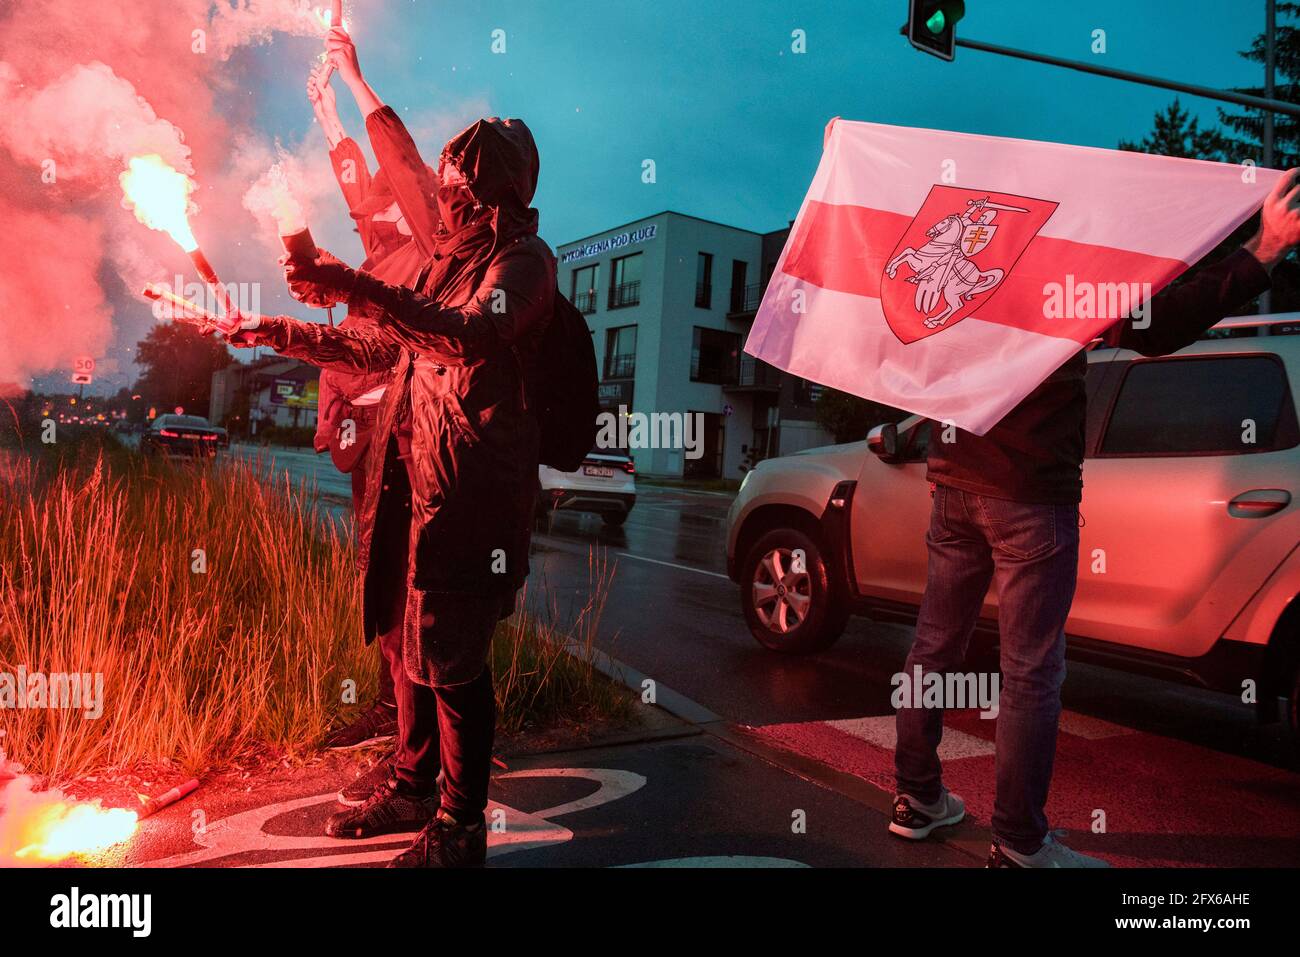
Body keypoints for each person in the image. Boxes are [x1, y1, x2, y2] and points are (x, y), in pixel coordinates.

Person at [891, 169, 1300, 868]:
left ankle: (916, 796)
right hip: (1031, 492)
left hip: (954, 478)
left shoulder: (968, 261)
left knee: (935, 643)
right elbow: (1157, 325)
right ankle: (1020, 841)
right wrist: (1260, 255)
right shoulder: (1062, 265)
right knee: (1029, 671)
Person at [227, 48, 554, 866]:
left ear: (488, 188)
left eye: (456, 179)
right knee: (407, 639)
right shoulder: (446, 263)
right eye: (443, 177)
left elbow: (469, 338)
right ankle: (412, 786)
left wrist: (357, 281)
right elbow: (376, 347)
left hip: (473, 490)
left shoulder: (521, 265)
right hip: (415, 479)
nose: (443, 189)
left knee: (450, 655)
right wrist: (273, 330)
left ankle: (460, 823)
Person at [303, 49, 442, 806]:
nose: (374, 212)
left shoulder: (428, 248)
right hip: (371, 449)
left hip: (411, 449)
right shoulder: (377, 254)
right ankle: (395, 713)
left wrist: (355, 84)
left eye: (388, 205)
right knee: (380, 590)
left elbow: (400, 166)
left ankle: (416, 755)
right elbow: (360, 182)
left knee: (407, 596)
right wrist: (326, 115)